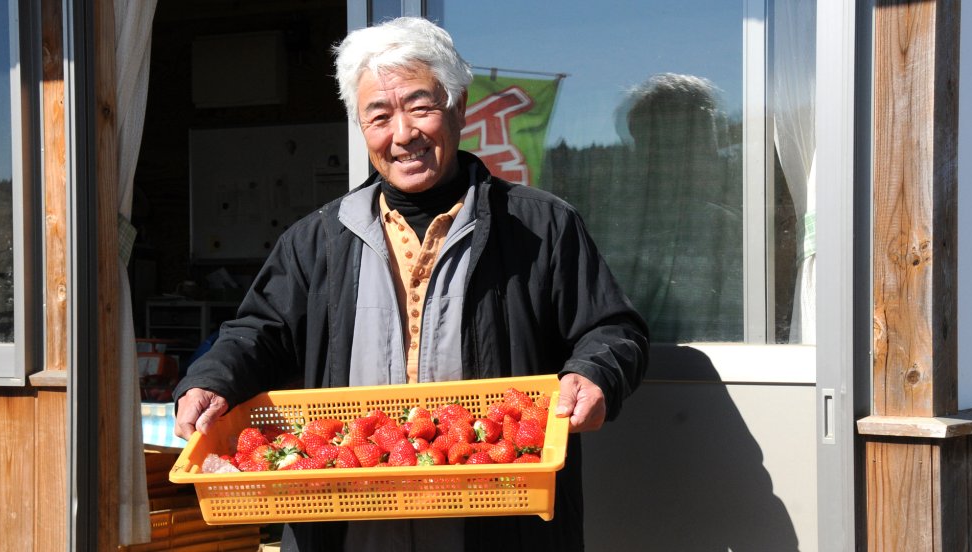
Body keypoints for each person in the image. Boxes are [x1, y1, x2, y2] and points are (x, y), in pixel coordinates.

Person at [173, 16, 648, 552]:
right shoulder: (316, 240)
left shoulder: (540, 226)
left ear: (459, 107)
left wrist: (595, 373)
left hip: (498, 526)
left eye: (420, 107)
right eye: (379, 115)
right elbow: (258, 332)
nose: (402, 135)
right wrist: (210, 380)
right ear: (361, 126)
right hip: (347, 528)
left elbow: (611, 328)